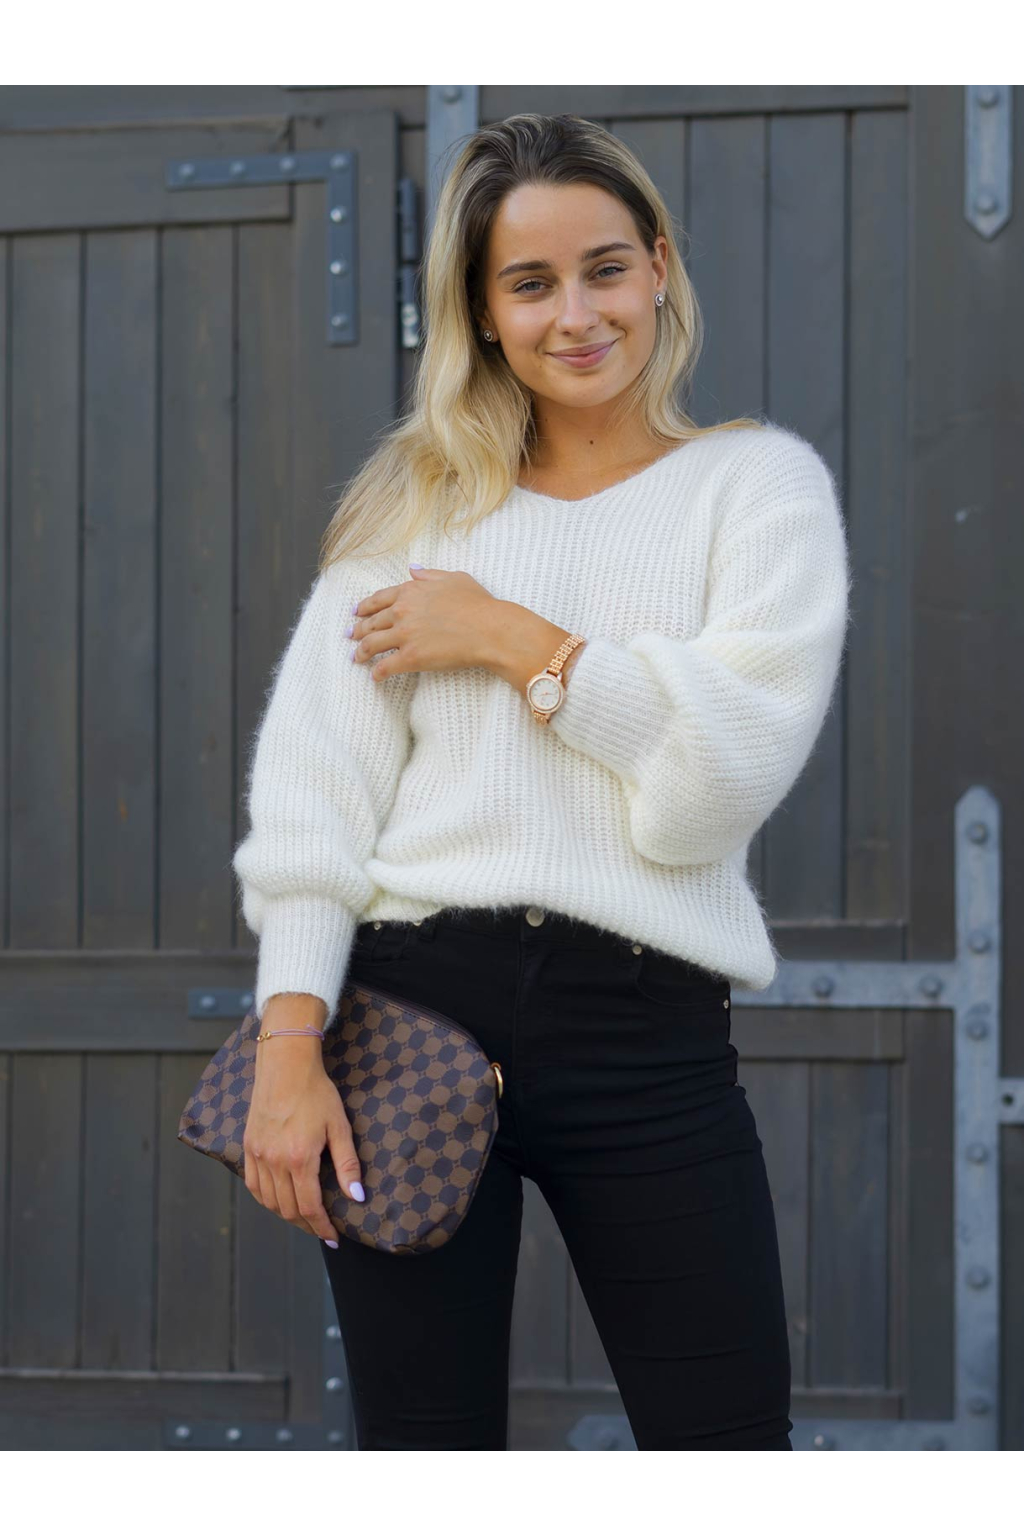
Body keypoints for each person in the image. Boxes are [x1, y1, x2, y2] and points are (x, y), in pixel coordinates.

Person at [231, 112, 852, 1451]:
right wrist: (288, 1048)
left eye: (605, 268)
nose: (576, 314)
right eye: (530, 283)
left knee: (726, 1446)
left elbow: (708, 794)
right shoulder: (412, 518)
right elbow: (314, 807)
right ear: (482, 311)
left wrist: (517, 640)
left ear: (660, 266)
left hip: (646, 1029)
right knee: (425, 1452)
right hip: (406, 1017)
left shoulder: (758, 491)